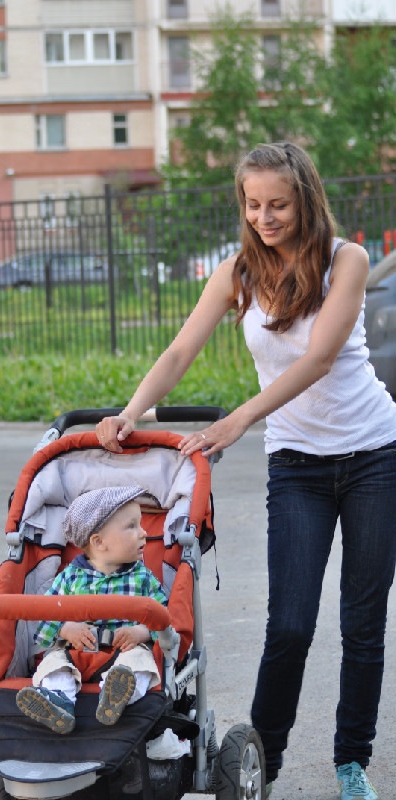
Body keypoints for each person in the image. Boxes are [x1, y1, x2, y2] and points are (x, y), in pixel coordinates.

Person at [95, 142, 396, 800]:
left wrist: (235, 421)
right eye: (253, 204)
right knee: (288, 625)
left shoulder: (345, 260)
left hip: (375, 456)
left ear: (305, 199)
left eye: (278, 204)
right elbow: (180, 350)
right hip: (297, 467)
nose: (264, 217)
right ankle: (261, 762)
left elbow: (318, 359)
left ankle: (350, 762)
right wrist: (130, 411)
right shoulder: (237, 272)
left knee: (362, 625)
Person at [16, 485, 167, 734]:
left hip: (123, 653)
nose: (144, 533)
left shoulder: (142, 578)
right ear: (98, 542)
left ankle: (117, 696)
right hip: (76, 653)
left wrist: (141, 632)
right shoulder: (70, 578)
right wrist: (65, 629)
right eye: (132, 526)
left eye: (140, 525)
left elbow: (165, 616)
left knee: (141, 663)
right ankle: (58, 701)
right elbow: (43, 618)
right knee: (53, 663)